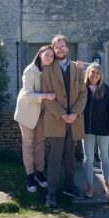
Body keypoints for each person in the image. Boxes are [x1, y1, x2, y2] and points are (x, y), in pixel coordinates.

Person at [42, 35, 87, 207]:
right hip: (56, 120)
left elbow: (83, 94)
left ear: (68, 48)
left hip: (74, 121)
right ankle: (51, 194)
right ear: (53, 49)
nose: (60, 49)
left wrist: (75, 113)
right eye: (57, 47)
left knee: (70, 158)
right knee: (54, 159)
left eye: (63, 46)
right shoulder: (47, 70)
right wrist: (62, 114)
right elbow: (47, 97)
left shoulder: (78, 68)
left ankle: (70, 187)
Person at [13, 45, 56, 193]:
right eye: (47, 54)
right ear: (40, 54)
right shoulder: (29, 71)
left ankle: (39, 172)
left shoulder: (50, 70)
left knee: (40, 143)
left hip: (42, 113)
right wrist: (45, 96)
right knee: (29, 143)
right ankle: (30, 175)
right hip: (27, 112)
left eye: (52, 55)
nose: (49, 57)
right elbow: (28, 94)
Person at [81, 63, 109, 198]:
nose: (95, 75)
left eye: (98, 73)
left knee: (104, 157)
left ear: (101, 76)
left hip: (103, 129)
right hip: (87, 130)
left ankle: (107, 183)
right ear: (88, 73)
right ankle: (90, 185)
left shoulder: (106, 90)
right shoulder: (82, 89)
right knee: (88, 159)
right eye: (93, 72)